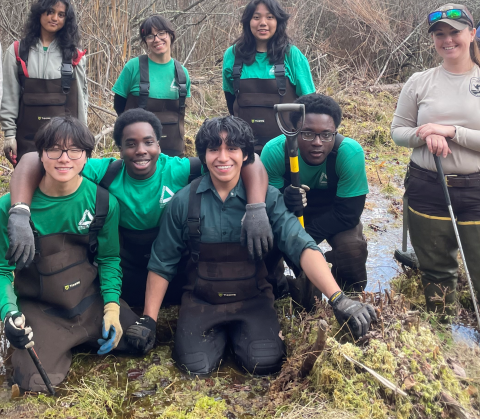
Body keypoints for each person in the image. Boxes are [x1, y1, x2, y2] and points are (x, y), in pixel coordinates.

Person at [125, 116, 376, 375]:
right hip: (201, 301)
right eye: (214, 149)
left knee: (264, 363)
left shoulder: (268, 199)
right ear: (204, 155)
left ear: (246, 154)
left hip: (253, 299)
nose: (223, 157)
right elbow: (162, 262)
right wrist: (149, 319)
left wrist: (339, 299)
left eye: (232, 148)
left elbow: (303, 247)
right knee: (194, 367)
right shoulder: (183, 202)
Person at [7, 109, 271, 309]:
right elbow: (33, 159)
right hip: (127, 267)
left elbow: (250, 160)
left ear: (159, 143)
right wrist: (19, 211)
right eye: (130, 144)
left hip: (171, 265)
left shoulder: (178, 169)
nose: (140, 151)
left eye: (148, 142)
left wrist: (257, 208)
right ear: (119, 148)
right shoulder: (107, 171)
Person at [0, 116, 137, 392]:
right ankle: (55, 346)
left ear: (87, 156)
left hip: (88, 301)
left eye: (75, 150)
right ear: (41, 155)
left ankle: (84, 336)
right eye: (54, 149)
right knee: (32, 382)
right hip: (42, 309)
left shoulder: (102, 202)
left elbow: (109, 259)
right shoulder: (9, 208)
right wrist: (9, 313)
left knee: (139, 339)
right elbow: (3, 270)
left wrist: (111, 305)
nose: (64, 159)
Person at [391, 4, 480, 316]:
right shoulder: (419, 81)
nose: (447, 40)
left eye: (454, 32)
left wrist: (451, 131)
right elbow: (398, 132)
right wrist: (425, 135)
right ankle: (443, 338)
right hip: (426, 186)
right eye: (439, 34)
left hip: (476, 190)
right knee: (437, 274)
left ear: (471, 33)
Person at [261, 93, 369, 297]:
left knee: (352, 248)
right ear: (293, 132)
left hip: (335, 215)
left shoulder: (349, 153)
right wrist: (284, 199)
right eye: (308, 134)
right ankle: (275, 289)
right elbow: (268, 208)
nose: (318, 142)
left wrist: (303, 243)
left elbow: (349, 213)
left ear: (335, 132)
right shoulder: (275, 151)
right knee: (265, 245)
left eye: (326, 135)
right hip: (290, 216)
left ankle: (349, 295)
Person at [1, 0, 88, 165]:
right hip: (26, 141)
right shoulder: (17, 51)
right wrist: (9, 135)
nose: (54, 18)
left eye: (61, 14)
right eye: (50, 12)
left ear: (66, 20)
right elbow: (9, 96)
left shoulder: (75, 56)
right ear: (39, 13)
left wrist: (82, 139)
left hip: (65, 143)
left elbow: (81, 101)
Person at [222, 0, 315, 153]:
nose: (262, 23)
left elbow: (311, 104)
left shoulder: (291, 55)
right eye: (256, 17)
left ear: (278, 21)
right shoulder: (232, 55)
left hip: (286, 149)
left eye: (270, 17)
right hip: (243, 149)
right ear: (247, 22)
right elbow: (231, 99)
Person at [113, 16, 190, 157]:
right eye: (150, 36)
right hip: (138, 153)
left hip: (174, 150)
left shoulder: (182, 73)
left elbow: (181, 112)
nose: (156, 39)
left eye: (161, 33)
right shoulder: (133, 67)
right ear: (145, 41)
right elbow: (119, 106)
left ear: (170, 35)